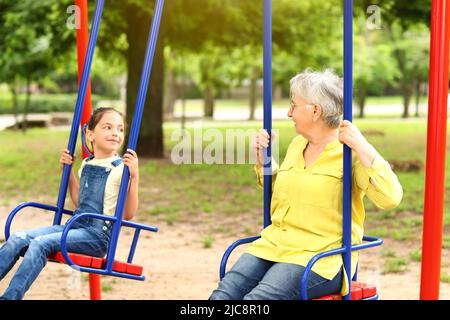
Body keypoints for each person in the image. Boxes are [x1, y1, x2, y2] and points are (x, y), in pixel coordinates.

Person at [210, 69, 403, 300]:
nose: (289, 112)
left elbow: (390, 198)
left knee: (257, 300)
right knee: (222, 296)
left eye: (293, 105)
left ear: (315, 111)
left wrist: (363, 146)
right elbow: (281, 195)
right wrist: (264, 159)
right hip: (274, 245)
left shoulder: (349, 154)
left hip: (318, 257)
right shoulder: (297, 144)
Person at [0, 107, 140, 300]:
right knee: (18, 238)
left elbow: (128, 214)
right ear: (90, 134)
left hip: (97, 237)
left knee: (41, 243)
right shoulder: (87, 164)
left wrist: (135, 177)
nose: (115, 133)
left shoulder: (121, 169)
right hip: (74, 227)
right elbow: (79, 201)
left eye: (120, 129)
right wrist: (69, 171)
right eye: (107, 127)